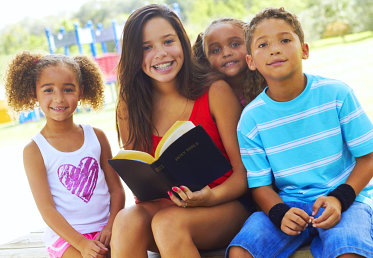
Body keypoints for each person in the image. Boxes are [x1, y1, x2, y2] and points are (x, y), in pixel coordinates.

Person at [227, 7, 373, 258]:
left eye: (285, 40)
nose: (275, 49)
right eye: (263, 45)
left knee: (350, 252)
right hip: (289, 204)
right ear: (251, 61)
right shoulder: (251, 119)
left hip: (346, 199)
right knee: (241, 252)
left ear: (304, 49)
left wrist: (340, 198)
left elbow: (368, 157)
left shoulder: (337, 94)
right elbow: (260, 186)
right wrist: (279, 212)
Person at [110, 4, 250, 258]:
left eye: (168, 41)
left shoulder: (215, 92)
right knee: (125, 221)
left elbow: (242, 176)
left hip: (222, 205)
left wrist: (207, 197)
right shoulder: (130, 108)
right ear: (133, 55)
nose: (161, 54)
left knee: (168, 223)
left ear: (182, 42)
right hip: (163, 210)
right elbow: (139, 181)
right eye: (146, 47)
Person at [4, 51, 125, 258]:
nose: (59, 98)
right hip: (67, 238)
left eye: (68, 89)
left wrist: (111, 226)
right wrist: (82, 244)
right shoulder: (34, 150)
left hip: (108, 228)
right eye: (48, 90)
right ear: (35, 93)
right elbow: (47, 210)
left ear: (81, 91)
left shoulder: (97, 137)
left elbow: (117, 191)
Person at [192, 18, 266, 106]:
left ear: (250, 44)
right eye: (216, 50)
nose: (226, 53)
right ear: (206, 59)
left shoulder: (268, 83)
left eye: (235, 44)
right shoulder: (209, 95)